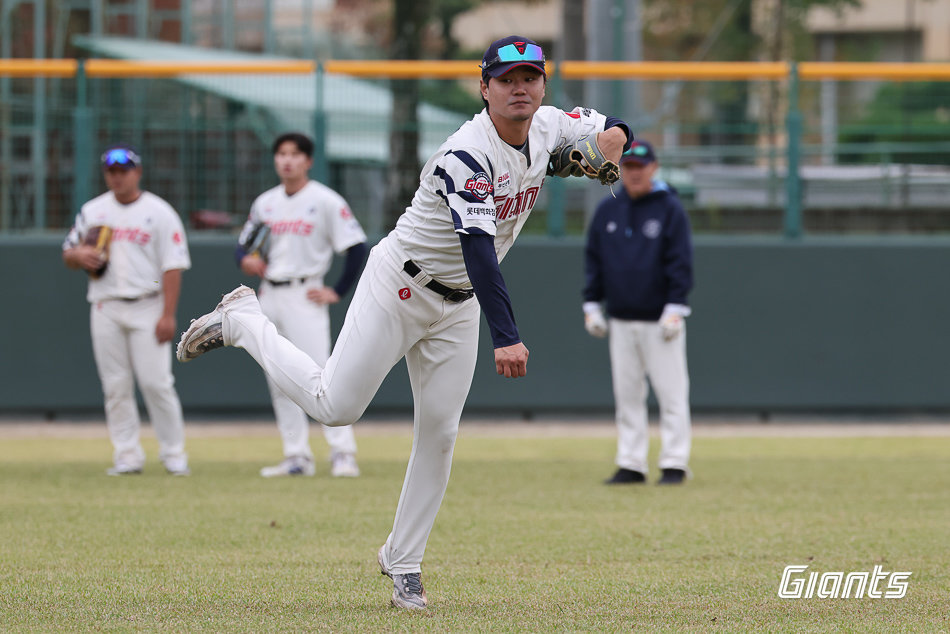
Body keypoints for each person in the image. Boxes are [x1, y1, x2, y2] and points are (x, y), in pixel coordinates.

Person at [177, 36, 630, 609]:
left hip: (459, 304)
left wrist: (605, 149)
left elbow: (617, 129)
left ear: (543, 83)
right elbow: (478, 251)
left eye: (530, 77)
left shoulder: (548, 123)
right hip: (401, 283)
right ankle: (244, 321)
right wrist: (507, 336)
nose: (519, 88)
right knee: (335, 407)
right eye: (506, 78)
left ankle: (404, 561)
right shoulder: (467, 153)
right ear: (483, 87)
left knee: (440, 434)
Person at [235, 132, 368, 478]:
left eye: (294, 154)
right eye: (281, 154)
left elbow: (356, 247)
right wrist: (246, 260)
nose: (287, 160)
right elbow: (244, 246)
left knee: (323, 374)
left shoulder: (325, 200)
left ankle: (342, 452)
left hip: (306, 293)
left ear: (308, 161)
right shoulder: (265, 203)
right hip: (270, 292)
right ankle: (296, 455)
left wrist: (337, 290)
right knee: (277, 375)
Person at [62, 145, 192, 476]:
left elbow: (173, 265)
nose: (117, 177)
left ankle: (173, 453)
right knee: (115, 386)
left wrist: (168, 314)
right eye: (111, 172)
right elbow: (69, 252)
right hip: (105, 304)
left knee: (156, 383)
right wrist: (79, 256)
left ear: (138, 172)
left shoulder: (159, 212)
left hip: (148, 303)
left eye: (124, 171)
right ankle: (127, 454)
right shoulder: (93, 210)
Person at [582, 140, 694, 486]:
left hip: (660, 319)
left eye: (640, 167)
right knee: (627, 395)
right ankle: (631, 463)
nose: (634, 173)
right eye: (628, 166)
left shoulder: (669, 208)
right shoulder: (608, 209)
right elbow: (594, 260)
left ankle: (674, 462)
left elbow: (680, 261)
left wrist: (675, 308)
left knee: (671, 394)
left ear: (653, 168)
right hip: (620, 318)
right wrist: (591, 305)